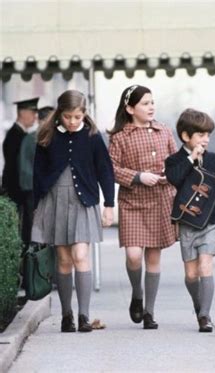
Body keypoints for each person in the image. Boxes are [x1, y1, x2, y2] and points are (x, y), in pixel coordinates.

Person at [31, 90, 114, 333]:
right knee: (65, 260)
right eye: (68, 116)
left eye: (77, 116)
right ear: (60, 113)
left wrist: (109, 204)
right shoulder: (47, 136)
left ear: (84, 114)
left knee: (80, 255)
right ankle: (67, 314)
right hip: (54, 200)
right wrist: (37, 206)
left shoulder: (92, 137)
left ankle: (83, 315)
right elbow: (38, 173)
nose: (72, 121)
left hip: (83, 201)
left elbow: (105, 171)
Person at [108, 85, 177, 330]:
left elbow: (176, 162)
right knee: (134, 256)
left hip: (160, 199)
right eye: (145, 103)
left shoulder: (165, 131)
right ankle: (137, 293)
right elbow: (112, 169)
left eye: (152, 102)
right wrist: (138, 176)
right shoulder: (119, 137)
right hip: (133, 202)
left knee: (154, 258)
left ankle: (149, 311)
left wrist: (169, 175)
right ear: (130, 108)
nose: (151, 107)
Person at [165, 108, 215, 332]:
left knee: (206, 266)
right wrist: (191, 159)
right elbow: (175, 179)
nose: (206, 140)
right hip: (187, 224)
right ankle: (199, 304)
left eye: (208, 135)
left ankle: (205, 316)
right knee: (190, 274)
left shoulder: (213, 159)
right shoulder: (175, 160)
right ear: (186, 136)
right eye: (201, 135)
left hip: (210, 223)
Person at [2, 97, 39, 244]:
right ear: (22, 113)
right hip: (17, 191)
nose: (35, 117)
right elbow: (16, 168)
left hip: (19, 191)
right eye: (32, 112)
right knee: (23, 230)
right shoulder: (16, 136)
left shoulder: (19, 135)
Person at [18, 106, 54, 246]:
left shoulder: (29, 138)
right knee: (41, 229)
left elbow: (23, 167)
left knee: (36, 228)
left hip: (33, 190)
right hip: (38, 190)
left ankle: (38, 261)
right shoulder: (37, 138)